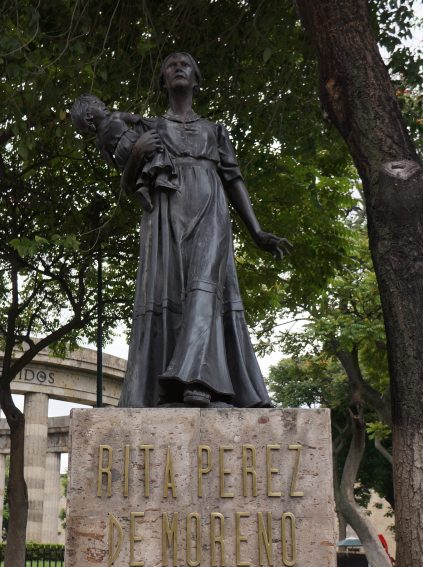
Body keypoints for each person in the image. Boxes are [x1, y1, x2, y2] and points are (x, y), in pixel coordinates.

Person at [104, 52, 291, 408]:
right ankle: (166, 387)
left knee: (205, 289)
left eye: (185, 64)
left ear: (196, 79)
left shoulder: (214, 130)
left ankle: (198, 380)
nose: (177, 68)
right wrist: (136, 154)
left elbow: (233, 179)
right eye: (170, 65)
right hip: (165, 217)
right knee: (171, 294)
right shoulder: (150, 128)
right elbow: (129, 186)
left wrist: (256, 231)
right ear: (163, 81)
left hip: (211, 212)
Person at [70, 93, 177, 212]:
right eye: (96, 103)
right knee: (158, 148)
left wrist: (121, 166)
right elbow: (136, 119)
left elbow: (110, 160)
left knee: (142, 165)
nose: (102, 104)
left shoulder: (99, 142)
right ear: (89, 115)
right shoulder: (115, 116)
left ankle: (143, 187)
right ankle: (162, 176)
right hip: (131, 140)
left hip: (120, 155)